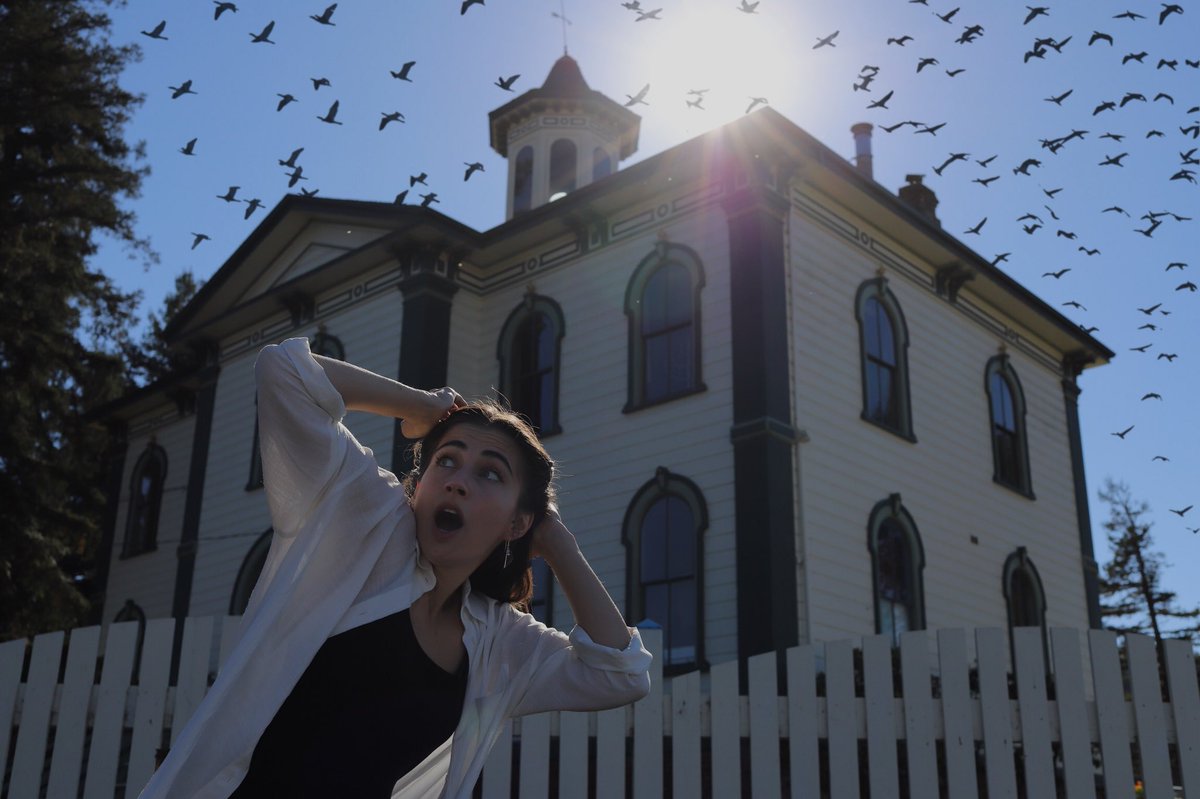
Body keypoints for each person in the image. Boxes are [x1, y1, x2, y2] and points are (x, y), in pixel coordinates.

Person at [139, 337, 652, 798]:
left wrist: (559, 543)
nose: (456, 481)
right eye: (446, 460)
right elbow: (284, 371)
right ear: (421, 483)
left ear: (517, 524)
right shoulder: (366, 525)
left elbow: (620, 675)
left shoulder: (500, 641)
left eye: (489, 473)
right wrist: (423, 406)